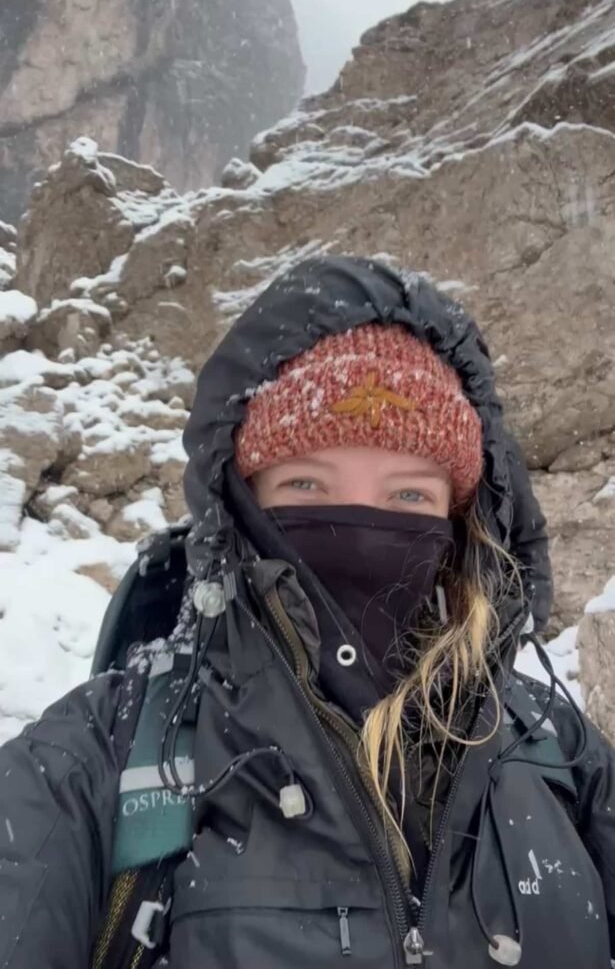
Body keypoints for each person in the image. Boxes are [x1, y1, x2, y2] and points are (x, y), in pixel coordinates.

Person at [0, 256, 613, 969]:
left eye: (410, 496)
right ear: (240, 506)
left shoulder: (554, 748)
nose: (359, 524)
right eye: (305, 484)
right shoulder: (90, 761)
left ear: (462, 518)